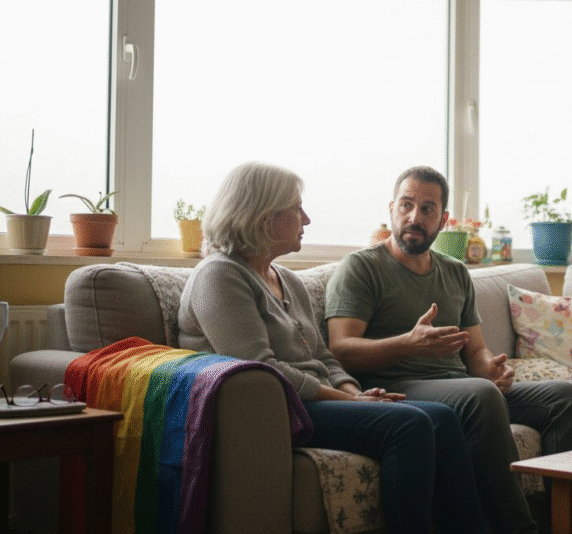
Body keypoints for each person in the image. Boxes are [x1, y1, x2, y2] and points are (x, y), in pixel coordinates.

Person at [176, 162, 487, 534]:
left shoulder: (286, 279)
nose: (305, 219)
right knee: (410, 425)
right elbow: (262, 367)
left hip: (317, 400)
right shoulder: (219, 275)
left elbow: (323, 357)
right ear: (263, 216)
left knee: (441, 417)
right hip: (280, 409)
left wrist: (353, 390)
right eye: (295, 208)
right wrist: (350, 403)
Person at [324, 166, 572, 534]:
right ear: (391, 208)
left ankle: (566, 525)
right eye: (406, 205)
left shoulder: (454, 272)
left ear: (444, 219)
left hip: (460, 386)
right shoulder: (361, 267)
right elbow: (340, 349)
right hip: (400, 387)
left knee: (568, 396)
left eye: (427, 209)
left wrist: (491, 368)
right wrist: (407, 344)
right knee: (479, 395)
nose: (414, 217)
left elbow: (476, 351)